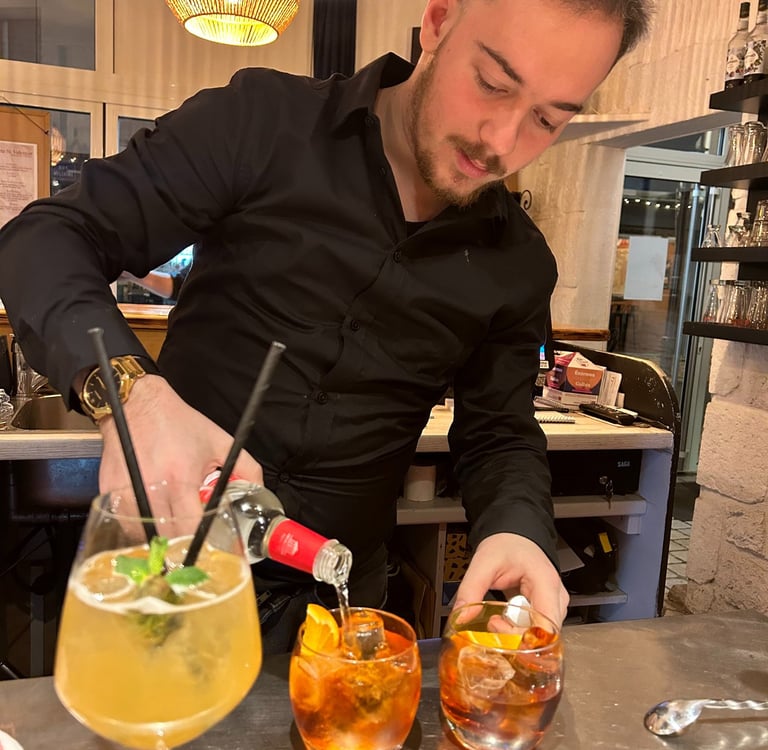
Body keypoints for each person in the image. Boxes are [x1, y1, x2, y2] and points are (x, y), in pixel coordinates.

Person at [0, 0, 652, 652]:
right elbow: (45, 240)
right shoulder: (261, 123)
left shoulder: (518, 265)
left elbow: (500, 435)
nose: (502, 142)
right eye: (492, 83)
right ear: (438, 22)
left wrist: (516, 529)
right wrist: (131, 398)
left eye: (547, 118)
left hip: (340, 597)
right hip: (171, 569)